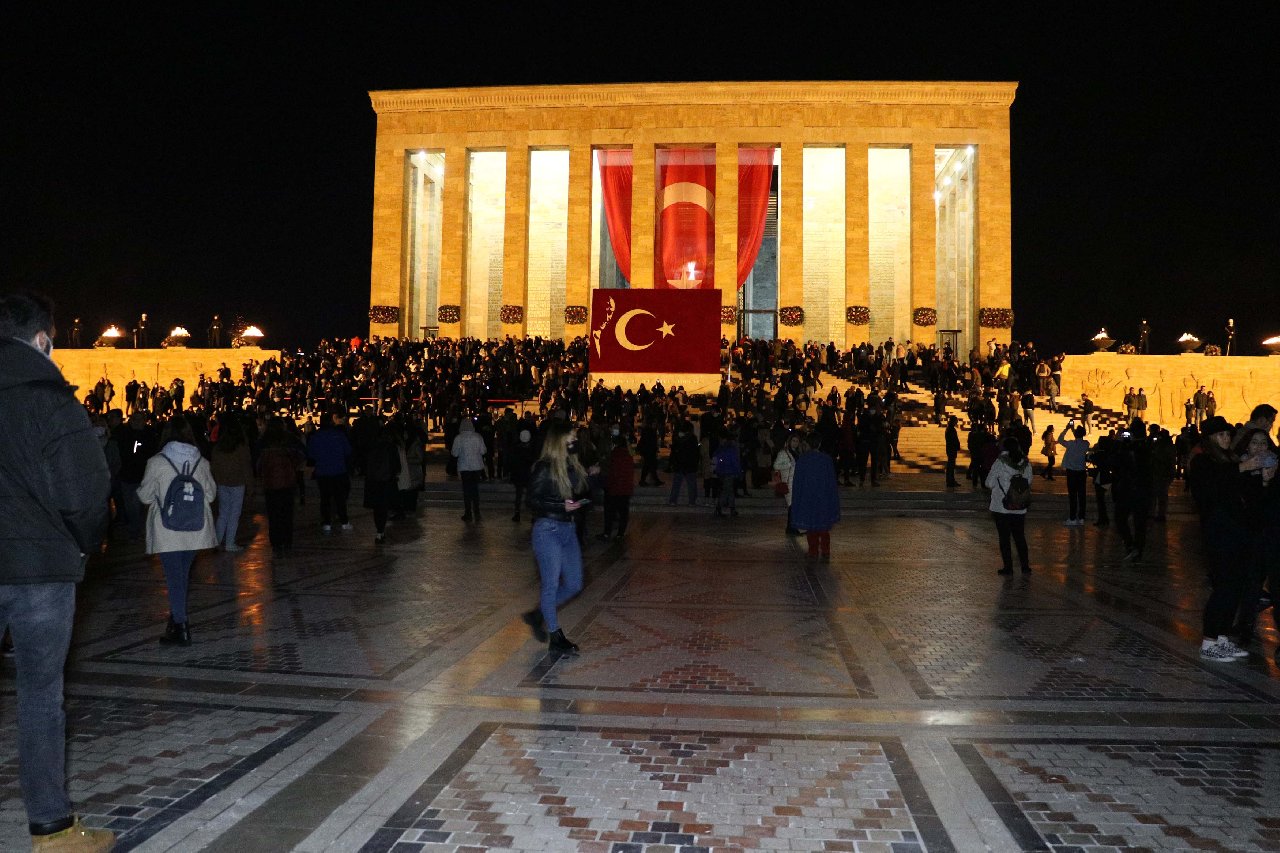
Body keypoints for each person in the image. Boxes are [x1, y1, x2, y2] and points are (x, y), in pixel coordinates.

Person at [0, 292, 116, 852]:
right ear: (43, 339)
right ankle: (52, 830)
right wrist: (81, 544)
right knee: (40, 696)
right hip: (41, 569)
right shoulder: (52, 399)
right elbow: (86, 493)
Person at [138, 416, 218, 646]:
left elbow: (144, 495)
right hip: (195, 528)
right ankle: (174, 622)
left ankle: (181, 627)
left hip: (167, 529)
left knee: (175, 578)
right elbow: (211, 495)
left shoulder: (156, 462)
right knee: (181, 576)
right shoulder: (201, 462)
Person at [521, 419, 588, 655]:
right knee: (550, 585)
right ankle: (555, 636)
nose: (574, 440)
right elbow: (532, 500)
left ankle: (539, 613)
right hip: (547, 530)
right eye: (570, 436)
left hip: (568, 530)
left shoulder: (571, 464)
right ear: (559, 440)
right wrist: (561, 506)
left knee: (574, 583)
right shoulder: (544, 466)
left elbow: (578, 492)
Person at [1187, 416, 1251, 661]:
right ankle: (1209, 641)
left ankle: (1223, 637)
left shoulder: (1230, 460)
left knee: (1236, 586)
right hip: (1218, 532)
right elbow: (1212, 490)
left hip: (1237, 531)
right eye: (1221, 435)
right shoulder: (1204, 461)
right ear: (1211, 439)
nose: (1226, 439)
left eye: (1228, 435)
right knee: (1223, 586)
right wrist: (1241, 469)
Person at [257, 418, 305, 556]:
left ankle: (276, 543)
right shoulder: (289, 439)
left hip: (270, 483)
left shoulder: (263, 441)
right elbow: (302, 453)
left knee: (273, 514)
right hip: (288, 481)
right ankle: (287, 542)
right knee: (287, 513)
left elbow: (257, 461)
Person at [985, 437, 1033, 575]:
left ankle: (1008, 567)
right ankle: (1025, 566)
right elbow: (1029, 481)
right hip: (1019, 505)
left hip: (1002, 506)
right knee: (1020, 537)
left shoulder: (1000, 462)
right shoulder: (1026, 463)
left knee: (1005, 538)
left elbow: (989, 482)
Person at [789, 440, 841, 558]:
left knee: (811, 525)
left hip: (808, 496)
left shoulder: (803, 460)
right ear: (819, 444)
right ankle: (825, 550)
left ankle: (813, 550)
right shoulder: (826, 459)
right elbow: (831, 480)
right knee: (823, 525)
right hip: (823, 496)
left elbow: (798, 481)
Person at [211, 415, 253, 552]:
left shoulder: (218, 448)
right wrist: (249, 484)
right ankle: (229, 542)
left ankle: (217, 541)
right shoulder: (241, 447)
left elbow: (214, 466)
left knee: (223, 513)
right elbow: (246, 466)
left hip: (222, 482)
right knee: (234, 514)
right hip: (237, 483)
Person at [307, 410, 353, 533]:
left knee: (325, 498)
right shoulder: (338, 435)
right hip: (338, 470)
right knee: (340, 498)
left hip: (323, 471)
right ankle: (344, 521)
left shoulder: (315, 436)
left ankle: (326, 522)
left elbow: (311, 454)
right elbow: (348, 451)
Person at [600, 432, 635, 539]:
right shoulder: (628, 456)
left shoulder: (614, 455)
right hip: (625, 489)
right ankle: (620, 533)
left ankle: (607, 533)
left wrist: (608, 485)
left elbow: (613, 473)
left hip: (614, 488)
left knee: (610, 512)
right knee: (623, 512)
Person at [452, 417, 486, 522]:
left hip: (464, 467)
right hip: (476, 467)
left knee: (466, 490)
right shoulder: (478, 437)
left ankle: (468, 513)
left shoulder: (458, 438)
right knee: (475, 490)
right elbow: (484, 451)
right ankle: (477, 511)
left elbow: (454, 453)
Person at [1058, 421, 1089, 526]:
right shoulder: (1086, 444)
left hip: (1071, 473)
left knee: (1072, 496)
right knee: (1082, 495)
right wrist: (1073, 430)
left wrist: (1067, 429)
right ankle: (1081, 517)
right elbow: (1079, 437)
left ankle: (1072, 518)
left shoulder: (1070, 444)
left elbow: (1060, 439)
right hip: (1081, 472)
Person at [773, 433, 802, 534]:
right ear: (789, 441)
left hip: (797, 481)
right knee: (791, 505)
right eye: (793, 441)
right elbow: (776, 465)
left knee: (794, 505)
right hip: (788, 481)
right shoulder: (783, 453)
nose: (795, 443)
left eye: (797, 441)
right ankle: (791, 528)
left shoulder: (797, 453)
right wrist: (789, 464)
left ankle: (792, 527)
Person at [666, 421, 701, 506]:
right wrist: (696, 463)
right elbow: (695, 452)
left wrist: (672, 463)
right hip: (690, 464)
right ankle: (692, 501)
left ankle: (673, 501)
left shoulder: (677, 438)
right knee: (691, 484)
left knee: (676, 484)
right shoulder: (692, 438)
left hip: (679, 464)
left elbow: (673, 452)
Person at [507, 428, 535, 522]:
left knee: (518, 495)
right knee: (530, 495)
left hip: (518, 475)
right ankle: (533, 515)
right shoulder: (532, 449)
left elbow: (511, 462)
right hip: (529, 475)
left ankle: (517, 513)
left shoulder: (515, 448)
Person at [712, 435, 742, 517]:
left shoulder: (720, 450)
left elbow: (715, 461)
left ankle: (731, 508)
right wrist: (739, 473)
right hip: (729, 473)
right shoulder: (732, 451)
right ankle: (720, 508)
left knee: (728, 490)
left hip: (721, 473)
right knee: (727, 491)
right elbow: (735, 463)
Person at [944, 415, 961, 487]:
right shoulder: (951, 429)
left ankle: (950, 480)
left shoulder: (949, 429)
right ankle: (950, 481)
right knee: (951, 465)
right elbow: (953, 440)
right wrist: (957, 446)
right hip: (951, 449)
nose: (957, 422)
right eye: (956, 420)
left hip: (950, 449)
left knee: (951, 465)